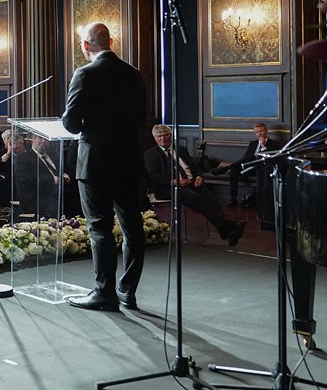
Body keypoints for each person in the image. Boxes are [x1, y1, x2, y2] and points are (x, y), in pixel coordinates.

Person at [61, 22, 147, 312]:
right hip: (128, 159)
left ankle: (104, 292)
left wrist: (90, 125)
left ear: (86, 46)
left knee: (100, 227)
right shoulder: (133, 74)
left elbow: (70, 123)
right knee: (132, 227)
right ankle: (127, 290)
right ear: (111, 41)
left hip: (95, 161)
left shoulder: (84, 73)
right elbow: (141, 118)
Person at [145, 124, 246, 247]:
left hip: (192, 183)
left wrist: (199, 177)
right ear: (154, 138)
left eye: (165, 135)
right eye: (159, 136)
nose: (163, 138)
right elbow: (153, 175)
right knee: (194, 198)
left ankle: (226, 231)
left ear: (170, 136)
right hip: (170, 187)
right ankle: (228, 227)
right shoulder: (150, 154)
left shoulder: (181, 149)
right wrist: (175, 181)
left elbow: (195, 166)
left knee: (212, 199)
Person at [210, 122, 282, 207]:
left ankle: (224, 169)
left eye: (261, 131)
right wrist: (234, 165)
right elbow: (245, 158)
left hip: (262, 168)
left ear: (266, 131)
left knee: (238, 168)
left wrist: (263, 146)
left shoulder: (274, 144)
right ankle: (233, 200)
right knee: (234, 170)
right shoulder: (253, 144)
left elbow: (268, 159)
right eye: (257, 132)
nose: (259, 134)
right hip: (250, 165)